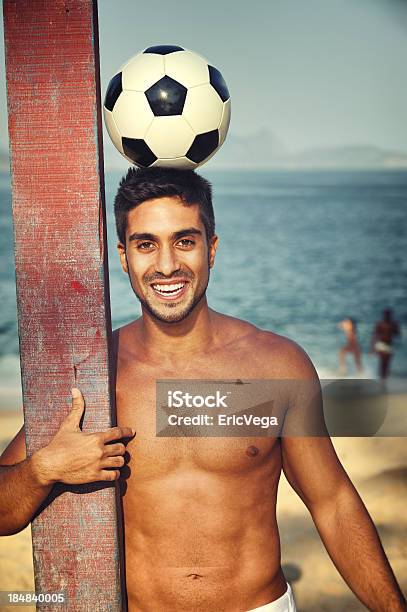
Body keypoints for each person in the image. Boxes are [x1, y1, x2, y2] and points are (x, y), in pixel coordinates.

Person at [0, 168, 405, 612]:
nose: (167, 265)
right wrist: (42, 470)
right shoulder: (94, 375)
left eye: (185, 241)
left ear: (211, 249)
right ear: (123, 256)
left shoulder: (273, 366)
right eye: (146, 244)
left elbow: (333, 503)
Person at [371, 308, 401, 380]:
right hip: (381, 344)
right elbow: (374, 336)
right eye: (386, 314)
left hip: (389, 345)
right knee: (383, 362)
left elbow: (398, 334)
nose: (387, 316)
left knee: (386, 363)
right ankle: (382, 379)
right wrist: (373, 347)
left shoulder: (393, 324)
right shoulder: (381, 324)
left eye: (388, 314)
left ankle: (383, 380)